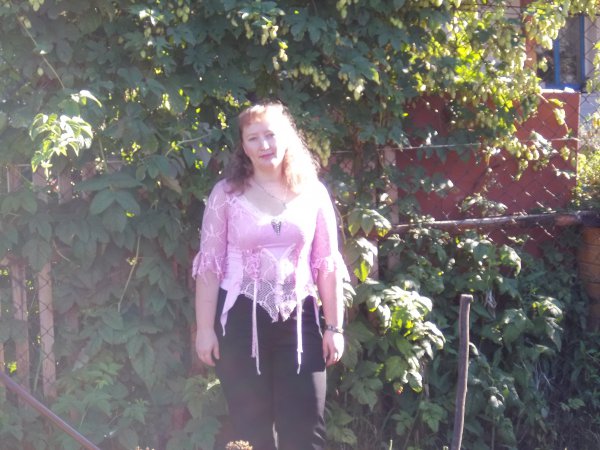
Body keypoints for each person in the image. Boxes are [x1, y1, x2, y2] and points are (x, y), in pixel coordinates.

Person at [192, 100, 348, 450]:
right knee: (250, 430)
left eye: (271, 135)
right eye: (253, 138)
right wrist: (204, 330)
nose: (264, 145)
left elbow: (326, 264)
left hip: (300, 321)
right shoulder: (226, 195)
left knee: (306, 428)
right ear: (243, 147)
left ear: (287, 137)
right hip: (240, 323)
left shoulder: (313, 193)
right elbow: (209, 267)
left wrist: (334, 327)